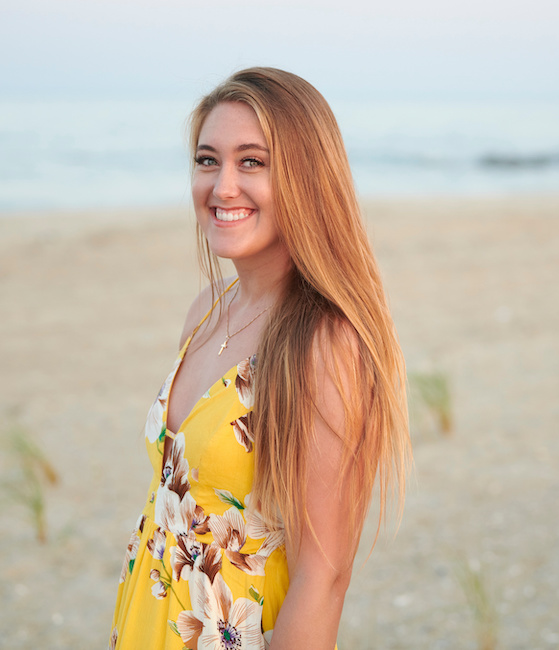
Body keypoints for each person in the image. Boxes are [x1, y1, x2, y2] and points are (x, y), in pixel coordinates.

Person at [109, 67, 411, 650]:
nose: (223, 187)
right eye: (207, 160)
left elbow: (324, 578)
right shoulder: (206, 309)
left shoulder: (323, 343)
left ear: (306, 179)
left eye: (252, 162)